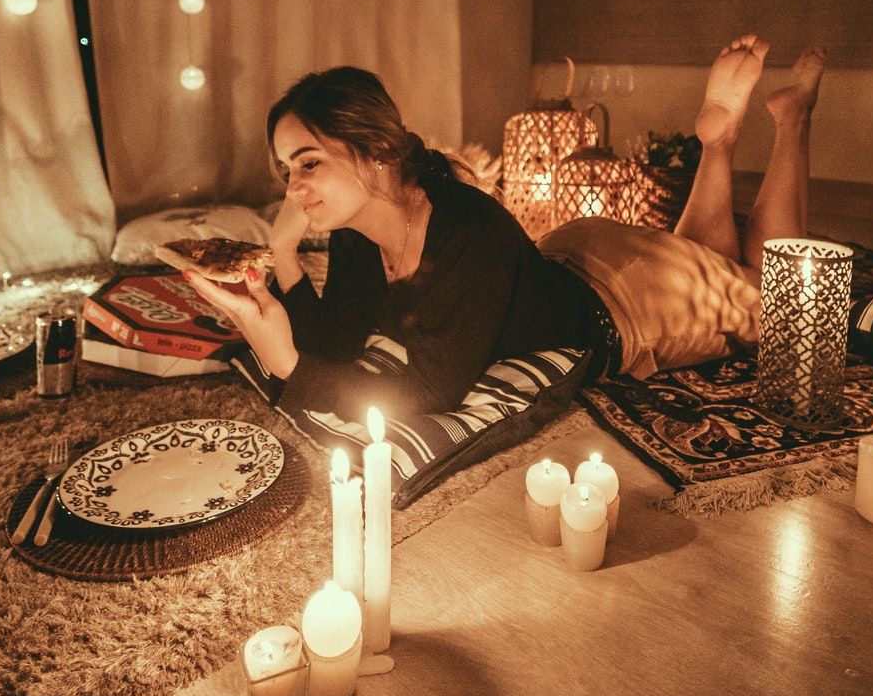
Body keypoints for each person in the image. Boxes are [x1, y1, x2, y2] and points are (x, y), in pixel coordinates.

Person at [184, 34, 826, 423]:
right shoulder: (360, 232)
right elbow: (342, 339)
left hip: (628, 306)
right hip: (574, 255)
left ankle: (792, 118)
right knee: (702, 257)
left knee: (777, 298)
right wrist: (281, 258)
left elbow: (430, 391)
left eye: (309, 163)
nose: (292, 189)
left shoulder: (467, 232)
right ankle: (717, 141)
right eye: (285, 170)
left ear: (373, 149)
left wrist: (286, 363)